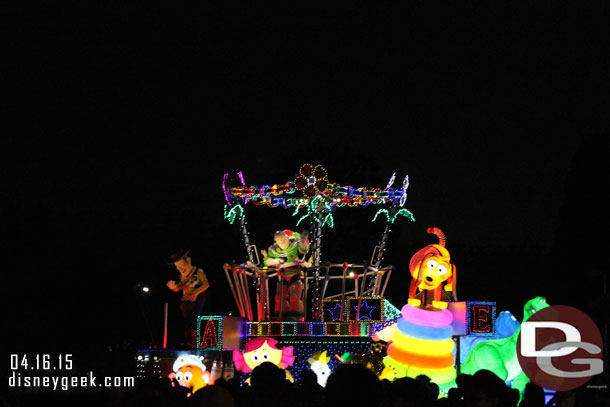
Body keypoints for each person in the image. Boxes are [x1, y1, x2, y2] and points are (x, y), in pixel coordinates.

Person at [166, 248, 210, 348]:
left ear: (188, 260)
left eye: (181, 265)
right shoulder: (183, 277)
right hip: (186, 301)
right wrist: (174, 287)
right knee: (187, 322)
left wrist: (195, 294)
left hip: (197, 299)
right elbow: (179, 286)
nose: (180, 269)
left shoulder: (198, 272)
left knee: (194, 320)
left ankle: (195, 342)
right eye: (177, 267)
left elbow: (206, 284)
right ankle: (189, 341)